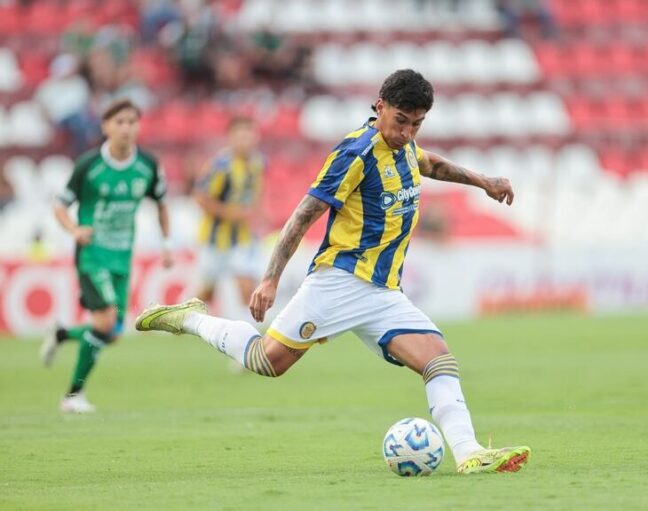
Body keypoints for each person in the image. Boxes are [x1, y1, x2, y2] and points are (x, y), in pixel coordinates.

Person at [135, 70, 530, 474]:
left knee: (439, 360)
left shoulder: (405, 144)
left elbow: (430, 163)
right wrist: (271, 278)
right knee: (265, 361)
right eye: (401, 121)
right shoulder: (356, 153)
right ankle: (189, 318)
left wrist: (483, 181)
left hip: (383, 292)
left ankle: (468, 453)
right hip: (339, 282)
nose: (407, 132)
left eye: (417, 124)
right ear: (380, 106)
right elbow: (304, 214)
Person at [40, 98, 173, 413]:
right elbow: (60, 205)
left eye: (131, 122)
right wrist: (74, 230)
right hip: (93, 254)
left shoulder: (148, 165)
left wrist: (166, 244)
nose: (126, 128)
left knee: (111, 333)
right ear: (106, 127)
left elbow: (161, 203)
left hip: (122, 256)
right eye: (119, 122)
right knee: (106, 320)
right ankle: (72, 396)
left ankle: (62, 334)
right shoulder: (89, 165)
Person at [194, 116, 266, 322]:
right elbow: (200, 197)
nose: (245, 140)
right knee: (207, 292)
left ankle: (247, 330)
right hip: (214, 239)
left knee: (246, 284)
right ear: (230, 138)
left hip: (241, 237)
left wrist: (258, 215)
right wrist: (230, 213)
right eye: (240, 135)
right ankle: (181, 322)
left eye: (248, 135)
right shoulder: (221, 166)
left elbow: (257, 192)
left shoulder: (258, 163)